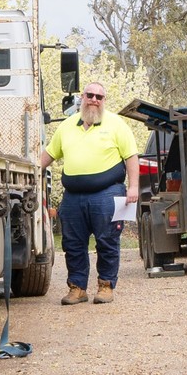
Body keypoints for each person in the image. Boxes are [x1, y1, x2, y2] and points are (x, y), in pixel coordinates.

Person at [39, 82, 139, 306]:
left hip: (108, 193)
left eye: (99, 97)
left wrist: (133, 188)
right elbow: (48, 156)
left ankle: (105, 286)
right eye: (90, 95)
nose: (94, 99)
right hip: (73, 196)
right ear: (82, 98)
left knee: (107, 241)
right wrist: (31, 170)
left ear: (104, 101)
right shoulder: (66, 126)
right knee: (73, 244)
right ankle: (77, 288)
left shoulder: (116, 125)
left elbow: (131, 157)